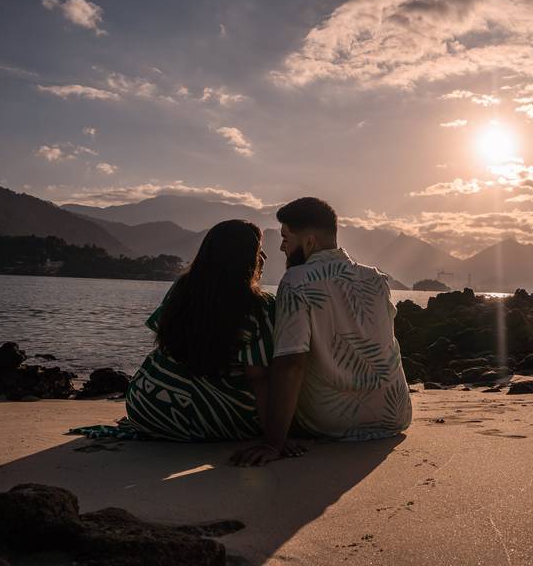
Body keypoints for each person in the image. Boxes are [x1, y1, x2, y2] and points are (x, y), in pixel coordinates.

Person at [230, 197, 412, 466]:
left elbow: (292, 363)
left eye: (285, 238)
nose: (281, 246)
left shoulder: (297, 281)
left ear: (309, 242)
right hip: (395, 416)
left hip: (333, 422)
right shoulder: (376, 278)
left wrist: (273, 443)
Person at [125, 219, 302, 457]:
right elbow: (258, 378)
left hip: (145, 407)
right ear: (246, 258)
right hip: (206, 420)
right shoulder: (258, 306)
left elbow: (162, 337)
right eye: (259, 251)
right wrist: (275, 439)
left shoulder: (183, 288)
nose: (264, 258)